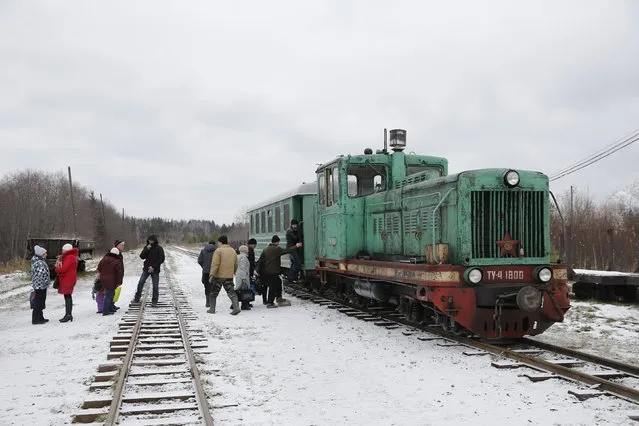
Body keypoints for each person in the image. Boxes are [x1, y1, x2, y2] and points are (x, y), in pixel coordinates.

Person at [257, 235, 302, 308]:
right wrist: (296, 246)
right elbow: (287, 250)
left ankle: (278, 297)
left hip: (266, 271)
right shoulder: (277, 249)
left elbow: (261, 261)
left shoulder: (265, 249)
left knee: (278, 282)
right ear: (277, 242)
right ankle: (270, 303)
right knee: (273, 287)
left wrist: (258, 271)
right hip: (273, 272)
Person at [207, 235, 240, 315]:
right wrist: (234, 272)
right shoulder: (232, 250)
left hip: (218, 276)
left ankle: (212, 309)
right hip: (228, 276)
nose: (218, 244)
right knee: (231, 292)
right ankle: (236, 308)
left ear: (220, 242)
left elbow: (215, 264)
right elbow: (236, 263)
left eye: (218, 242)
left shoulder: (218, 251)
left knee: (213, 293)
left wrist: (211, 275)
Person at [133, 235, 165, 306]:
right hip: (146, 269)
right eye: (149, 240)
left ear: (154, 240)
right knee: (141, 282)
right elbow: (141, 257)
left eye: (151, 240)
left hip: (155, 269)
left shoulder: (159, 248)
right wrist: (146, 249)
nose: (150, 241)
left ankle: (154, 301)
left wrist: (153, 267)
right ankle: (136, 298)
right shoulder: (147, 247)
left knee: (155, 286)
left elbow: (161, 259)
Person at [55, 243, 79, 323]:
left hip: (68, 279)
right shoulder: (71, 257)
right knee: (67, 296)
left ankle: (68, 315)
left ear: (66, 250)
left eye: (63, 250)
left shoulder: (69, 257)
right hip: (69, 278)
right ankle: (68, 314)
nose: (62, 251)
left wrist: (57, 268)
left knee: (67, 296)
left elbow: (63, 269)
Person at [98, 247, 124, 316]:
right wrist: (119, 282)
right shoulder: (117, 261)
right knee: (109, 295)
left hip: (103, 279)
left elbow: (99, 268)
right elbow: (119, 273)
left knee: (110, 294)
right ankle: (106, 311)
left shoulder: (104, 259)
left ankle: (110, 308)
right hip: (112, 280)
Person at [30, 245, 50, 325]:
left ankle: (40, 317)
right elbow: (42, 274)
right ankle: (36, 319)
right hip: (40, 285)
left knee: (41, 302)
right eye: (45, 253)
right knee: (39, 302)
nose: (46, 255)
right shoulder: (40, 263)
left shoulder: (38, 261)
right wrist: (46, 282)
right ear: (41, 254)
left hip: (39, 285)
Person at [197, 240, 217, 307]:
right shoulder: (216, 251)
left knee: (206, 286)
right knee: (213, 287)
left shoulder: (203, 251)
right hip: (214, 272)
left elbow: (199, 260)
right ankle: (212, 302)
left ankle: (207, 302)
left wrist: (204, 266)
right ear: (214, 244)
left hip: (205, 271)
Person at [235, 245, 252, 310]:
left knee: (238, 290)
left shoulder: (239, 256)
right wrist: (244, 278)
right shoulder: (244, 257)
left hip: (239, 275)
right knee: (244, 290)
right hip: (243, 275)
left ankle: (234, 304)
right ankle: (244, 305)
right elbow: (243, 268)